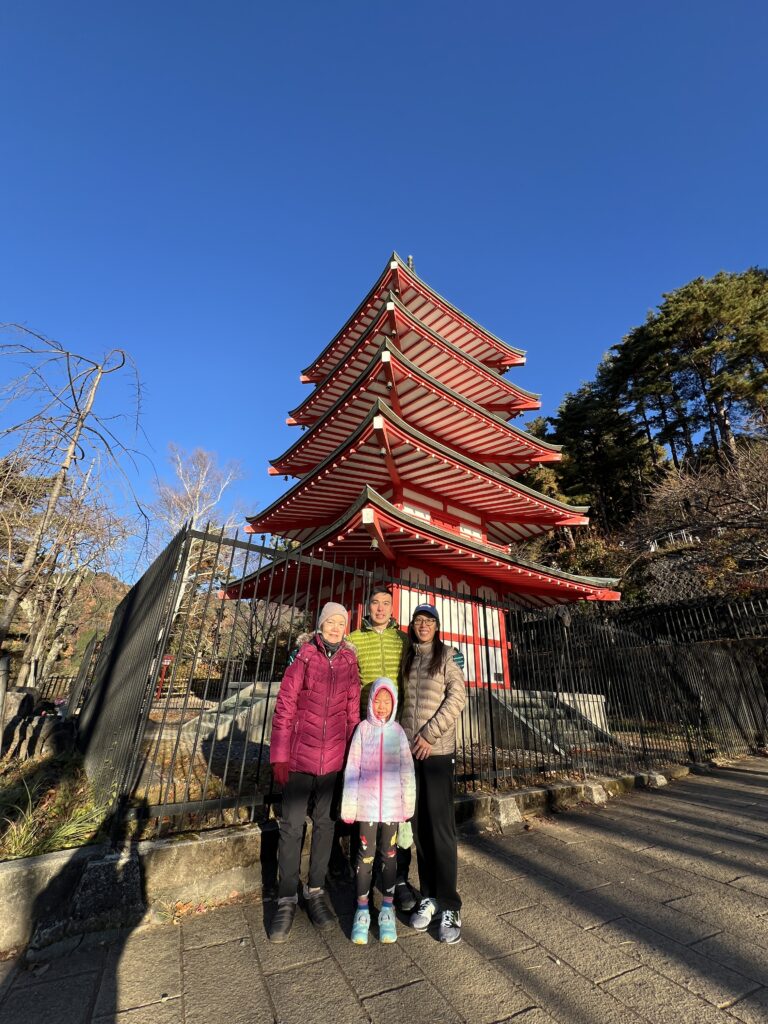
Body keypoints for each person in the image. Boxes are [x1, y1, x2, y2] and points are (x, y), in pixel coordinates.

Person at [347, 585, 464, 912]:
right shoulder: (377, 646)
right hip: (387, 741)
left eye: (429, 621)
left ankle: (432, 894)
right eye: (375, 603)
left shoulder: (426, 650)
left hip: (424, 746)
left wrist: (453, 654)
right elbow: (336, 650)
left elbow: (456, 695)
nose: (380, 608)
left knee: (428, 822)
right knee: (406, 817)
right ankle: (392, 882)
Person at [268, 601, 361, 943]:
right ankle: (286, 897)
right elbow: (285, 705)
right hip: (299, 756)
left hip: (333, 758)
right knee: (291, 826)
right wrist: (279, 754)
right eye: (330, 622)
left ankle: (316, 890)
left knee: (325, 825)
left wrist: (353, 757)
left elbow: (352, 712)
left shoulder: (350, 661)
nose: (335, 628)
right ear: (320, 625)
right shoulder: (304, 656)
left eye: (341, 623)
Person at [400, 603, 466, 944]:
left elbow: (457, 698)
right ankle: (428, 895)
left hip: (437, 752)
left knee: (441, 829)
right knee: (420, 827)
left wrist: (429, 734)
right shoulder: (408, 657)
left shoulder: (448, 656)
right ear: (412, 625)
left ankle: (450, 903)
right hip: (411, 753)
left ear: (437, 626)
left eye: (429, 621)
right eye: (418, 621)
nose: (423, 625)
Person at [341, 677, 415, 944]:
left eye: (387, 701)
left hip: (393, 807)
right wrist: (349, 806)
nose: (382, 706)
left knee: (390, 856)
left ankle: (387, 908)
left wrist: (408, 805)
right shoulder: (362, 730)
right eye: (378, 701)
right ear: (371, 702)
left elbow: (407, 771)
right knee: (365, 858)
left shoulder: (398, 733)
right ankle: (362, 910)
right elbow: (353, 769)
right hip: (367, 807)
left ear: (394, 704)